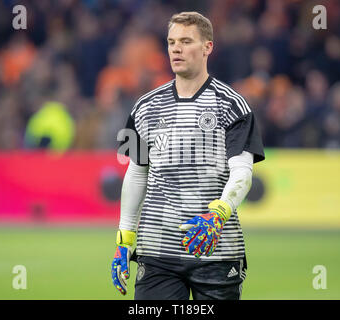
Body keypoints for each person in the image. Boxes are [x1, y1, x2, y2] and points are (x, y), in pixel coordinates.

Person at [111, 11, 265, 300]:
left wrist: (218, 214)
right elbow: (136, 173)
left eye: (186, 41)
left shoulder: (233, 106)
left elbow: (242, 172)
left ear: (208, 47)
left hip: (216, 251)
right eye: (171, 42)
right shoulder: (144, 107)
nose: (176, 49)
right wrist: (124, 239)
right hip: (156, 252)